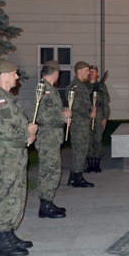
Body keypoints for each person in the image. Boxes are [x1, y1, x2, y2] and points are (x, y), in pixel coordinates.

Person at [0, 59, 38, 256]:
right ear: (5, 75)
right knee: (6, 195)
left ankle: (9, 233)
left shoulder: (8, 98)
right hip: (6, 156)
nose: (17, 77)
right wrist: (27, 131)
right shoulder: (0, 101)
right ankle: (1, 241)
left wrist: (28, 135)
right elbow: (6, 130)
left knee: (16, 194)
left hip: (15, 154)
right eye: (14, 74)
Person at [35, 60, 71, 219]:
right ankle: (45, 205)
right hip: (47, 138)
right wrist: (63, 115)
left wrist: (63, 116)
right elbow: (43, 115)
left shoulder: (49, 89)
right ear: (56, 73)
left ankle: (48, 201)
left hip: (52, 137)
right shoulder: (44, 90)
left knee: (52, 170)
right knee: (49, 171)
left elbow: (51, 112)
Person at [67, 61, 95, 188]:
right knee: (80, 150)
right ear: (80, 71)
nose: (89, 73)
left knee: (82, 150)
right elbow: (76, 105)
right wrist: (89, 113)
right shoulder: (75, 87)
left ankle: (74, 176)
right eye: (87, 70)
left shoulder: (82, 86)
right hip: (79, 124)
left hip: (83, 124)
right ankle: (77, 177)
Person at [84, 65, 110, 173]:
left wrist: (105, 117)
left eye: (94, 71)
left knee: (97, 139)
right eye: (90, 71)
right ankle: (89, 164)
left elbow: (105, 103)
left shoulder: (102, 86)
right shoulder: (84, 86)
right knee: (88, 140)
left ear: (97, 74)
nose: (92, 73)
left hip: (99, 114)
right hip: (87, 115)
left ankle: (97, 164)